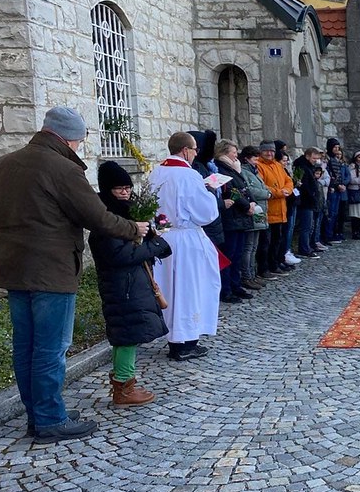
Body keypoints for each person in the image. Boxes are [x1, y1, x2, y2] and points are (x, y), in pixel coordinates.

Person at [0, 107, 148, 443]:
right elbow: (97, 216)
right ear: (71, 138)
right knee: (50, 348)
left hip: (14, 268)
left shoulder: (6, 163)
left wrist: (12, 232)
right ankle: (49, 419)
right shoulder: (64, 168)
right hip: (51, 270)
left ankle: (39, 413)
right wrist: (133, 229)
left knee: (26, 346)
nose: (80, 147)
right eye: (81, 141)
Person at [89, 161, 172, 407]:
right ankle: (124, 388)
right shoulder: (106, 219)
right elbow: (120, 255)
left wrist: (150, 235)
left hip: (130, 283)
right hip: (121, 286)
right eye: (118, 188)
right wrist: (154, 244)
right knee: (126, 335)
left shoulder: (127, 214)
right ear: (107, 190)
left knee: (126, 334)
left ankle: (124, 384)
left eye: (127, 187)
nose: (125, 192)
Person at [149, 132, 222, 362]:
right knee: (188, 290)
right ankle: (186, 342)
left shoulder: (155, 173)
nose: (195, 154)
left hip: (163, 238)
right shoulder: (188, 176)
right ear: (185, 150)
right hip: (186, 240)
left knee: (170, 290)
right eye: (194, 150)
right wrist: (209, 193)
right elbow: (206, 213)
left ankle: (174, 339)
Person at [214, 139, 256, 303]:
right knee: (229, 255)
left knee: (237, 254)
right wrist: (246, 206)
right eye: (233, 151)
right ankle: (226, 289)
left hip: (240, 218)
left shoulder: (233, 168)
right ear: (224, 152)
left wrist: (251, 202)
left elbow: (244, 187)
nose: (236, 154)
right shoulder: (221, 168)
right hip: (231, 218)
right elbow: (231, 191)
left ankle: (235, 285)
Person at [256, 140, 294, 275]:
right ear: (261, 151)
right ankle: (264, 268)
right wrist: (279, 192)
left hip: (280, 210)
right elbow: (261, 186)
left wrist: (287, 190)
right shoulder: (258, 166)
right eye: (266, 150)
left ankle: (275, 263)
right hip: (268, 210)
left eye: (272, 151)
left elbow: (288, 181)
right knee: (265, 243)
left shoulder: (278, 165)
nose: (269, 153)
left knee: (277, 241)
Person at [238, 146, 272, 285]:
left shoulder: (254, 172)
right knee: (249, 246)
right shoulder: (245, 172)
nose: (257, 161)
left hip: (260, 210)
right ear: (246, 158)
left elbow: (261, 186)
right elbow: (251, 189)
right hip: (253, 209)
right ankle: (247, 275)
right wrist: (266, 194)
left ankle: (252, 273)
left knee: (254, 246)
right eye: (254, 158)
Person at [292, 147, 322, 258]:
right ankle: (304, 249)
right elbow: (305, 186)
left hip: (309, 200)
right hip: (305, 201)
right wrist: (312, 197)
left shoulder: (308, 167)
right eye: (314, 158)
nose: (316, 160)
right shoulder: (302, 167)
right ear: (308, 156)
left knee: (309, 226)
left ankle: (307, 246)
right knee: (306, 226)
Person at [324, 138, 348, 244]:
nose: (337, 150)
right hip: (332, 189)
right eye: (335, 147)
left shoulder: (335, 159)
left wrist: (341, 184)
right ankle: (327, 235)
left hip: (338, 189)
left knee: (335, 213)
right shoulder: (328, 159)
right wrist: (337, 185)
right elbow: (330, 175)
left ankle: (332, 234)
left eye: (338, 148)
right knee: (331, 213)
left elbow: (339, 175)